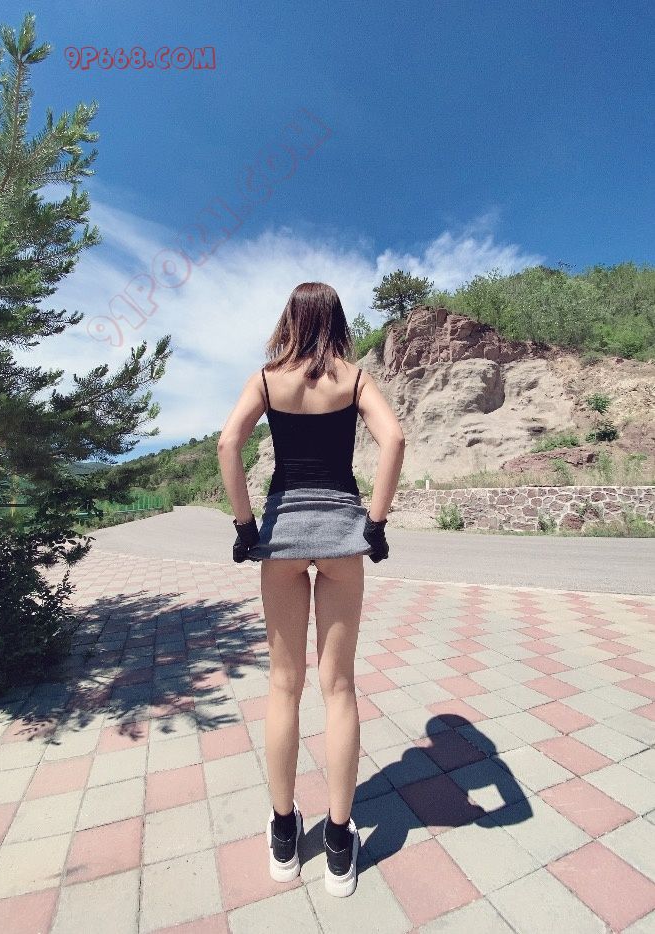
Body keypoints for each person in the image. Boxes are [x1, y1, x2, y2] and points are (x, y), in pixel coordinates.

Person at [217, 281, 405, 897]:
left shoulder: (268, 380)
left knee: (283, 686)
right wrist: (375, 523)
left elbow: (228, 443)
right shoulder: (355, 379)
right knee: (339, 687)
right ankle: (339, 843)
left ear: (289, 320)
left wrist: (245, 526)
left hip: (283, 539)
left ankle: (282, 834)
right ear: (338, 320)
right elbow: (395, 439)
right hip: (343, 534)